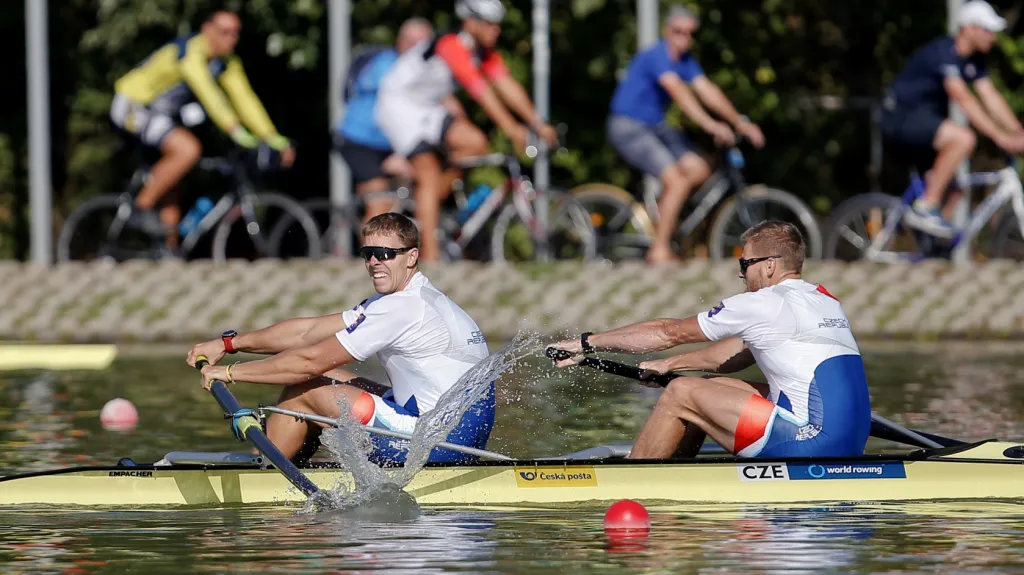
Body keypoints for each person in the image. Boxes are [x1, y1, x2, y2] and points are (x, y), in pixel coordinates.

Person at [186, 213, 495, 465]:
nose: (375, 263)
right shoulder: (413, 297)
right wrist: (228, 344)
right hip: (458, 435)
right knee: (329, 376)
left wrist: (228, 372)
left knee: (304, 387)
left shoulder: (401, 308)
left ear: (412, 257)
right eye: (368, 254)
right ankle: (283, 455)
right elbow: (306, 332)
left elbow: (307, 361)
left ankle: (267, 471)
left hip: (435, 442)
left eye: (386, 254)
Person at [549, 220, 871, 459]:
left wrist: (587, 342)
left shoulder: (764, 302)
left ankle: (636, 481)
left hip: (810, 443)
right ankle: (678, 467)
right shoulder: (824, 299)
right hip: (852, 439)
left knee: (681, 392)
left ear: (770, 265)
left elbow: (669, 332)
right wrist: (669, 365)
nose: (741, 275)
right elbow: (732, 355)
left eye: (745, 265)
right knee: (707, 386)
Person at [375, 0, 559, 262]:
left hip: (426, 106)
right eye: (489, 24)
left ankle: (427, 203)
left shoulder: (481, 51)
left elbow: (505, 85)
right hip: (398, 106)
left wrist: (538, 124)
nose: (496, 30)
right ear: (470, 22)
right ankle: (431, 255)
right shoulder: (450, 44)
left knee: (475, 143)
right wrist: (512, 129)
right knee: (427, 172)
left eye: (497, 24)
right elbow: (481, 91)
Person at [110, 9, 296, 244]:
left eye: (236, 33)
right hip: (132, 105)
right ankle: (140, 209)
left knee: (173, 186)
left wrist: (273, 137)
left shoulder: (226, 63)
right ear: (207, 30)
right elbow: (210, 96)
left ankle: (168, 254)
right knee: (188, 150)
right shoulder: (190, 52)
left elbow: (245, 100)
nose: (232, 38)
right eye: (225, 32)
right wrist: (236, 131)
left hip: (159, 116)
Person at [607, 5, 765, 265]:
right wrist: (710, 125)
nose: (684, 38)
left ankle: (663, 215)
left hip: (654, 126)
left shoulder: (686, 61)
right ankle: (658, 250)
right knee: (678, 181)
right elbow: (679, 92)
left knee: (700, 167)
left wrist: (740, 123)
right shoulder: (657, 56)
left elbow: (706, 90)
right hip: (629, 126)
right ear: (666, 30)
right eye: (678, 31)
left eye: (690, 33)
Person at [882, 0, 1024, 235]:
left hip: (923, 122)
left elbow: (992, 99)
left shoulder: (974, 61)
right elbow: (964, 99)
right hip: (900, 118)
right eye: (987, 30)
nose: (993, 37)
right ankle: (925, 207)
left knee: (954, 189)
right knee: (963, 139)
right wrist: (1000, 137)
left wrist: (1018, 132)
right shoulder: (944, 52)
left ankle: (932, 248)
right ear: (969, 28)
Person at [333, 19, 434, 224]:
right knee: (380, 202)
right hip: (359, 141)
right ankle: (371, 253)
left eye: (422, 44)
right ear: (400, 41)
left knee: (417, 186)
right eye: (412, 42)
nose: (416, 49)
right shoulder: (387, 66)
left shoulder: (417, 70)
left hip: (387, 144)